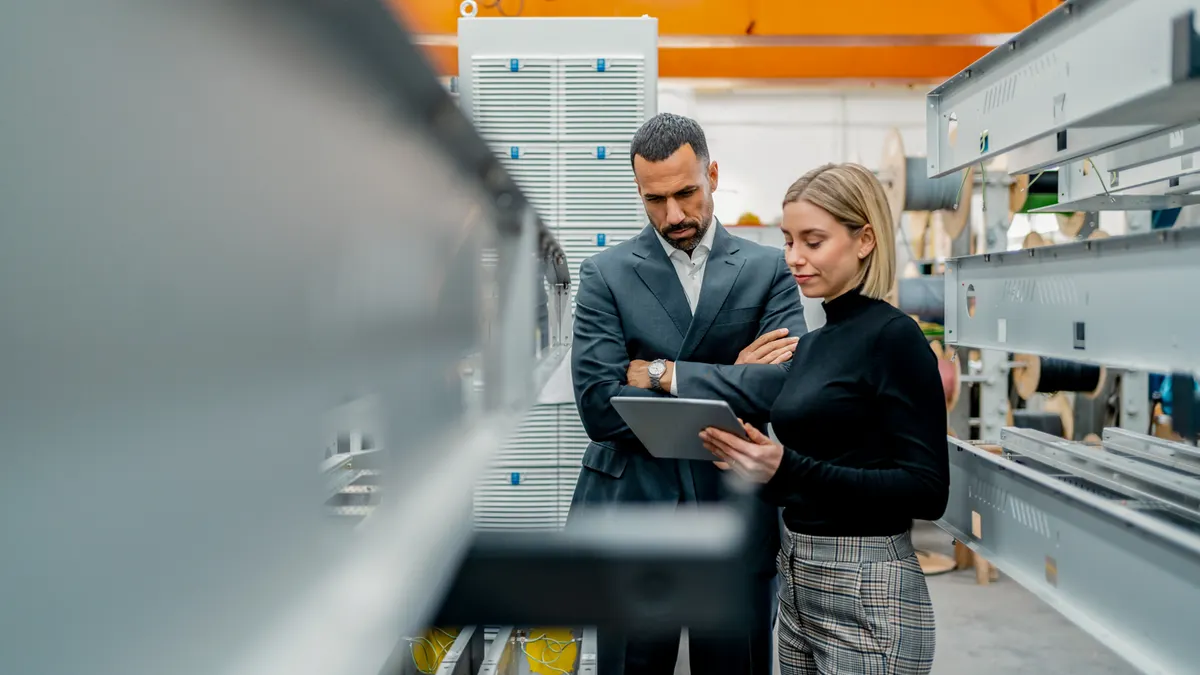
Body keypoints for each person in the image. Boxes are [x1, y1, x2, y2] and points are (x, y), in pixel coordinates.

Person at [568, 112, 807, 675]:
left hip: (733, 507)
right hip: (635, 514)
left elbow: (781, 388)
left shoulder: (769, 269)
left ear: (714, 175)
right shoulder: (605, 274)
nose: (673, 215)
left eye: (686, 192)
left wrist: (658, 373)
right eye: (654, 200)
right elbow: (600, 408)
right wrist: (732, 374)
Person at [700, 163, 950, 675]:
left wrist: (785, 469)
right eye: (789, 240)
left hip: (868, 589)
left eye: (813, 242)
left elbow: (927, 490)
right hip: (796, 579)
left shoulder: (895, 338)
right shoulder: (811, 346)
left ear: (865, 240)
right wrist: (757, 469)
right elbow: (807, 474)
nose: (794, 258)